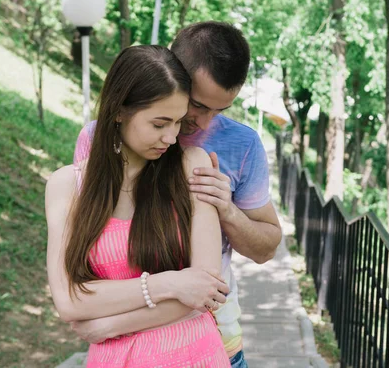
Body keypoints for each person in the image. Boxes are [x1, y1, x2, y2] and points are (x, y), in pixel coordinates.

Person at [71, 22, 282, 368]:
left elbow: (267, 247)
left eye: (220, 110)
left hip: (212, 343)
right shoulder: (98, 142)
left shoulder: (243, 145)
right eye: (198, 104)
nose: (204, 121)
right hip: (121, 349)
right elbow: (89, 250)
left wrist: (227, 210)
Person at [45, 45, 232, 367]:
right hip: (114, 360)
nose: (171, 138)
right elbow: (69, 301)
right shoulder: (66, 186)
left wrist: (108, 324)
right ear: (119, 111)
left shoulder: (192, 167)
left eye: (178, 123)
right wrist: (169, 283)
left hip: (192, 354)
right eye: (159, 124)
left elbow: (206, 291)